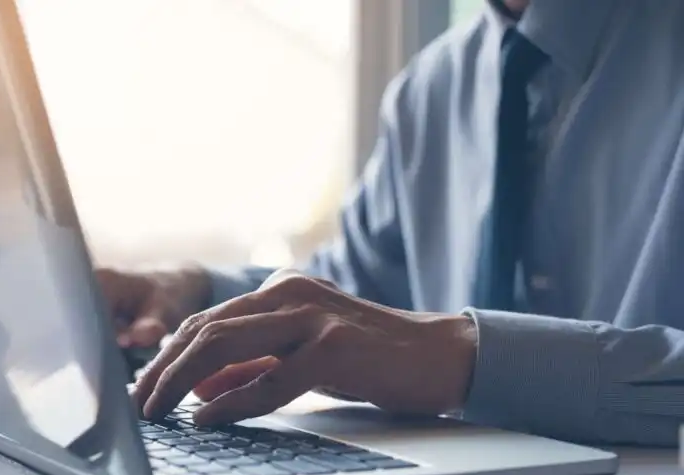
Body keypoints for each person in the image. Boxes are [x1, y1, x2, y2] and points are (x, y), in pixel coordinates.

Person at [99, 0, 684, 448]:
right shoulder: (431, 89)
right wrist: (194, 294)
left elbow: (405, 343)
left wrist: (466, 361)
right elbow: (351, 302)